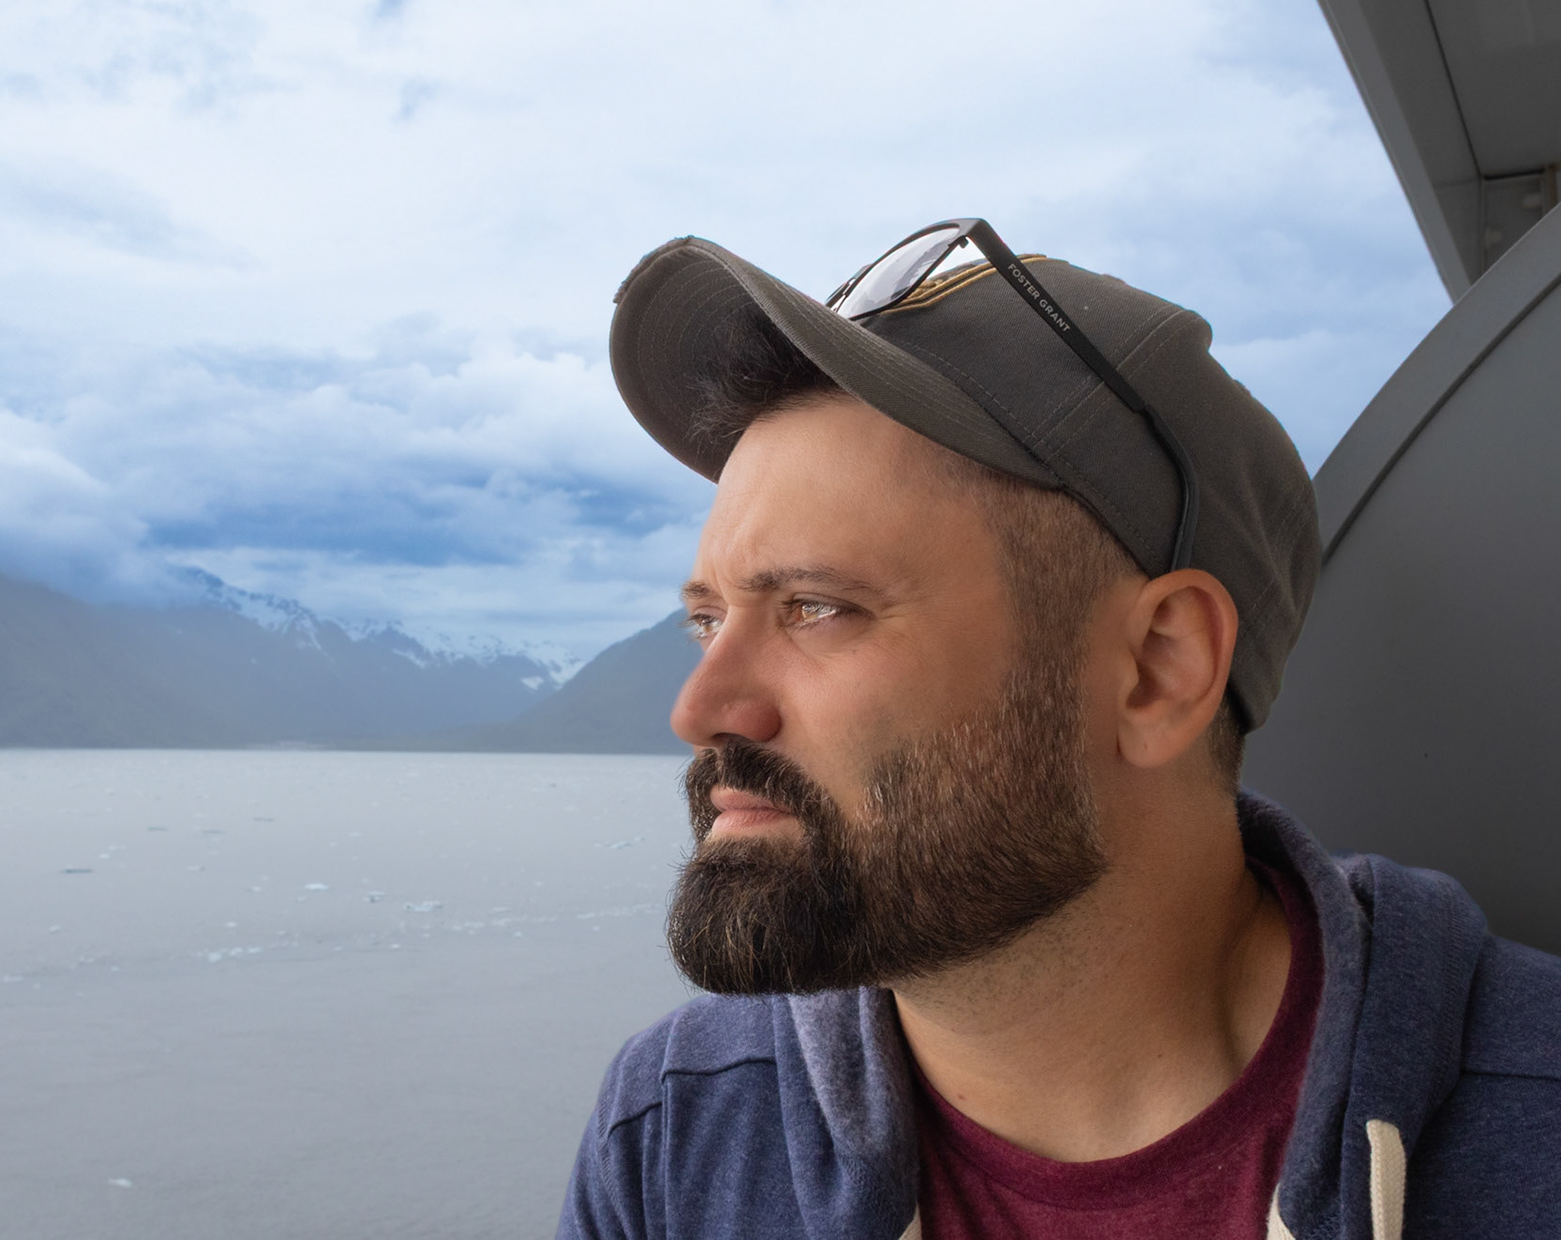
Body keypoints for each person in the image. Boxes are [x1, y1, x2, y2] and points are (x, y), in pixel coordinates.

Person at [557, 222, 1561, 1239]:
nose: (699, 709)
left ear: (1157, 668)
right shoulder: (676, 1133)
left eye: (817, 605)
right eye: (708, 618)